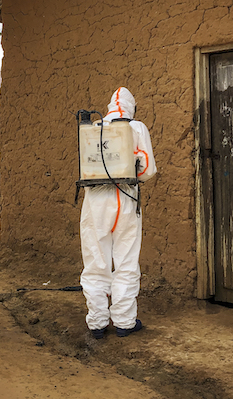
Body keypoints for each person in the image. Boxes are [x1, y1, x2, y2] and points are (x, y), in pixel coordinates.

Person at [80, 87, 156, 339]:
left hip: (95, 200)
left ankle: (97, 322)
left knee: (95, 259)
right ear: (132, 106)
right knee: (126, 258)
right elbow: (147, 170)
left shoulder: (94, 126)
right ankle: (124, 321)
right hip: (126, 197)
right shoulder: (137, 127)